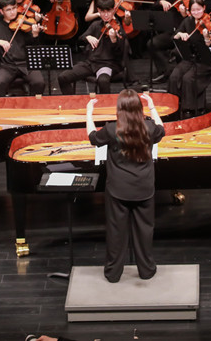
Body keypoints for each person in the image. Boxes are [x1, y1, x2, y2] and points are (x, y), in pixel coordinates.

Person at [86, 90, 165, 283]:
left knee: (116, 232)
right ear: (139, 108)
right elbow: (162, 129)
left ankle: (113, 274)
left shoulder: (111, 129)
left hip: (118, 189)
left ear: (119, 109)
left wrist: (88, 113)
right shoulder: (149, 128)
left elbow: (93, 138)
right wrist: (152, 107)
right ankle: (146, 271)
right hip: (144, 188)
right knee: (145, 231)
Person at [59, 0, 128, 95]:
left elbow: (120, 52)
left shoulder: (118, 29)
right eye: (102, 11)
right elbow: (81, 38)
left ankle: (104, 104)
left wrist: (114, 40)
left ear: (113, 10)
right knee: (63, 77)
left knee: (103, 81)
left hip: (107, 64)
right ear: (98, 11)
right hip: (91, 63)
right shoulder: (96, 25)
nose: (106, 15)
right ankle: (73, 101)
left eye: (108, 11)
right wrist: (88, 37)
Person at [0, 0, 46, 96]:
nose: (12, 12)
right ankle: (1, 106)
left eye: (14, 8)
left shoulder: (24, 24)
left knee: (39, 82)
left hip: (26, 64)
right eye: (8, 10)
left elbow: (34, 46)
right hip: (7, 66)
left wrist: (35, 35)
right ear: (1, 11)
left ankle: (33, 104)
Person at [168, 0, 211, 116]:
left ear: (204, 8)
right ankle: (174, 106)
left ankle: (190, 109)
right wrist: (180, 34)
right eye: (193, 10)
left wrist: (206, 38)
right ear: (189, 11)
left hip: (206, 61)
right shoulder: (187, 21)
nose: (196, 13)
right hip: (190, 57)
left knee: (188, 78)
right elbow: (174, 36)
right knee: (174, 76)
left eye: (199, 9)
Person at [147, 0, 193, 84]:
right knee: (152, 43)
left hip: (186, 35)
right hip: (172, 33)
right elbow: (152, 6)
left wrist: (185, 15)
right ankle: (165, 71)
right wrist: (160, 2)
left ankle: (181, 73)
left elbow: (195, 20)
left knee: (178, 50)